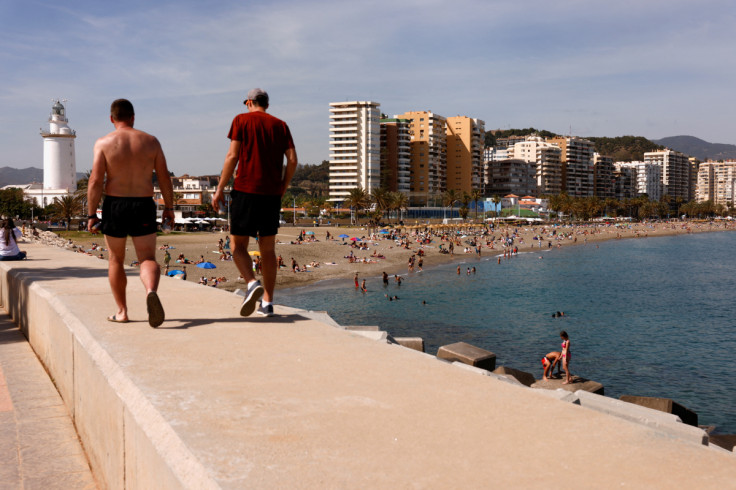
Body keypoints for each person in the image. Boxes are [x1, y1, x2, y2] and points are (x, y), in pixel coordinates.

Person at [87, 99, 174, 327]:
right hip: (143, 203)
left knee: (116, 259)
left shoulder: (104, 143)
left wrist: (90, 214)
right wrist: (169, 208)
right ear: (133, 117)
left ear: (111, 118)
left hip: (115, 205)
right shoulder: (151, 141)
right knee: (147, 258)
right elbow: (164, 178)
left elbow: (96, 180)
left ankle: (122, 311)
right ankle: (150, 292)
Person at [212, 88, 297, 317]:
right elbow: (292, 160)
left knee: (237, 246)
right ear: (266, 104)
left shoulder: (241, 120)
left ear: (249, 102)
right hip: (271, 195)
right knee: (267, 250)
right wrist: (283, 186)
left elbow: (232, 156)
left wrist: (219, 188)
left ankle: (251, 283)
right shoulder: (281, 125)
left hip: (245, 190)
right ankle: (268, 302)